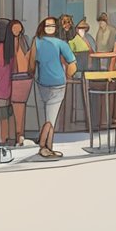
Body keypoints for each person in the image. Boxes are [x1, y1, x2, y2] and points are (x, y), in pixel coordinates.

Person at [31, 16, 77, 159]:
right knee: (50, 119)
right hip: (56, 84)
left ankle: (47, 147)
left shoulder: (36, 42)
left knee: (46, 118)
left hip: (42, 83)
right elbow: (73, 65)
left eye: (52, 25)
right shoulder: (61, 43)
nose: (50, 28)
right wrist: (68, 76)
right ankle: (44, 147)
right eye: (48, 25)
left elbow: (31, 64)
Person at [8, 20, 33, 147]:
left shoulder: (24, 41)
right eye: (14, 29)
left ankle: (20, 135)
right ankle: (17, 135)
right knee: (14, 108)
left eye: (19, 29)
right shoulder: (8, 43)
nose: (17, 31)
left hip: (23, 77)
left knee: (20, 107)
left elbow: (27, 56)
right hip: (13, 77)